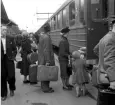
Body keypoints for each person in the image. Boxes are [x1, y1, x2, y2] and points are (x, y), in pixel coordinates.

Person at [94, 15, 115, 105]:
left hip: (103, 76)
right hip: (109, 79)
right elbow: (110, 60)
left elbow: (95, 50)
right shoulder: (112, 39)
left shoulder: (105, 37)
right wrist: (113, 81)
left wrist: (102, 60)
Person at [1, 25, 17, 101]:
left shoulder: (10, 38)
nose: (4, 31)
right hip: (1, 60)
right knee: (2, 77)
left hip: (9, 59)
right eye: (3, 30)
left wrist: (13, 56)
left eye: (5, 30)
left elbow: (15, 49)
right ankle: (3, 94)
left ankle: (12, 89)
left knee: (11, 76)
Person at [38, 23, 55, 93]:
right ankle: (46, 88)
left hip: (41, 58)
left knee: (43, 73)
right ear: (49, 30)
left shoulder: (42, 36)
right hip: (45, 59)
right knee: (46, 73)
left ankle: (44, 87)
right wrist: (48, 61)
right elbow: (46, 50)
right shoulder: (47, 37)